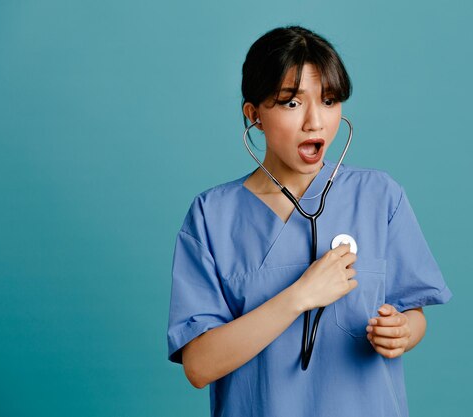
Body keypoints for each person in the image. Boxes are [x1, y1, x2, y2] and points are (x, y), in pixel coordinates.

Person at [167, 25, 452, 417]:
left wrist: (403, 331)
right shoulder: (211, 216)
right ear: (254, 115)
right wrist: (300, 295)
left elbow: (412, 311)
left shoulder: (379, 196)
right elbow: (199, 366)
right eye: (291, 103)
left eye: (330, 100)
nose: (315, 122)